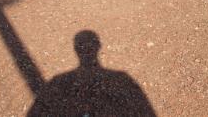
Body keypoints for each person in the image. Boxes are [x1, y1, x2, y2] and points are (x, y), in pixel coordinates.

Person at [28, 30, 156, 117]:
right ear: (99, 46)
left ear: (75, 49)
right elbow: (145, 111)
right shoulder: (121, 78)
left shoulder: (58, 82)